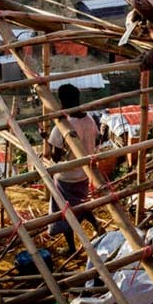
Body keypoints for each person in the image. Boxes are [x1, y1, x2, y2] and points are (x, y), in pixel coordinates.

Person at [46, 83, 103, 254]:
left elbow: (55, 157)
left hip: (66, 177)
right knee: (81, 204)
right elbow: (96, 140)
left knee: (65, 213)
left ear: (61, 104)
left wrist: (47, 140)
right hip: (85, 174)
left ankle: (71, 248)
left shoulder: (61, 128)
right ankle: (96, 224)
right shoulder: (90, 120)